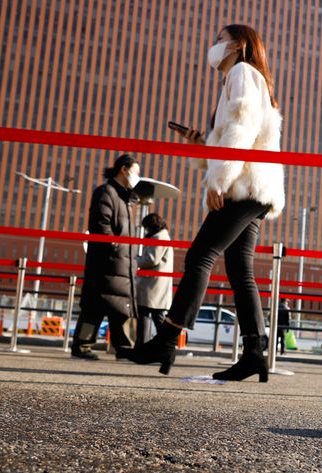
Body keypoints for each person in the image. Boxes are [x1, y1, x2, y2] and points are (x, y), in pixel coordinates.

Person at [127, 24, 285, 380]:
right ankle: (255, 353)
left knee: (201, 255)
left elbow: (241, 130)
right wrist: (202, 143)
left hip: (242, 187)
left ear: (238, 44)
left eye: (219, 39)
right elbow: (237, 134)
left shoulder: (242, 72)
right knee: (240, 270)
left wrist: (218, 180)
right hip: (256, 188)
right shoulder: (248, 78)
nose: (213, 45)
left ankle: (167, 337)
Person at [71, 154, 140, 360]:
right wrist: (117, 248)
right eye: (136, 171)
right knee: (98, 304)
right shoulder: (106, 192)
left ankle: (124, 348)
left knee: (120, 306)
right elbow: (102, 225)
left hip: (120, 262)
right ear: (124, 170)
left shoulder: (122, 197)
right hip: (108, 261)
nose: (138, 176)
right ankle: (84, 346)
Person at [135, 213, 173, 346]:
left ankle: (143, 346)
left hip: (151, 284)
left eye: (146, 227)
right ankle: (164, 346)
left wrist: (135, 260)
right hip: (157, 284)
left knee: (145, 315)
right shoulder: (163, 236)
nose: (146, 230)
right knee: (158, 316)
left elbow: (151, 260)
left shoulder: (158, 237)